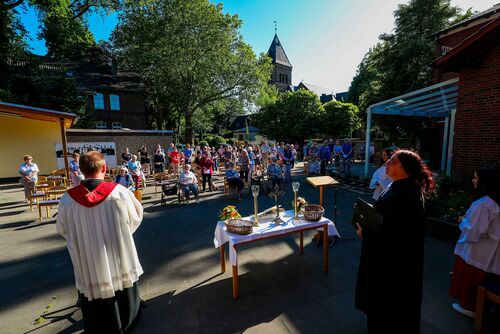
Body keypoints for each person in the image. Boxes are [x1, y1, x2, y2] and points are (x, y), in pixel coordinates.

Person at [56, 151, 143, 333]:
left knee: (93, 284)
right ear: (104, 168)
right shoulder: (120, 192)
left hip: (88, 259)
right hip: (117, 252)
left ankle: (97, 323)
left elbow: (62, 230)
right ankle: (127, 318)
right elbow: (135, 218)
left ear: (80, 170)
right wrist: (122, 234)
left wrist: (82, 239)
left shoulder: (67, 199)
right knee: (120, 278)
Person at [355, 149, 435, 333]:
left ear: (405, 167)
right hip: (389, 263)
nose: (387, 163)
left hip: (392, 268)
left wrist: (365, 233)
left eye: (393, 161)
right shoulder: (398, 186)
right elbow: (389, 218)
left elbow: (396, 234)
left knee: (387, 313)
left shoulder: (407, 194)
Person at [449, 167, 500, 317]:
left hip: (478, 252)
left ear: (485, 182)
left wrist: (463, 222)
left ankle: (470, 306)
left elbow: (473, 232)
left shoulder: (484, 204)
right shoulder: (494, 202)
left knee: (472, 281)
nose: (473, 180)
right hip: (490, 250)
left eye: (476, 178)